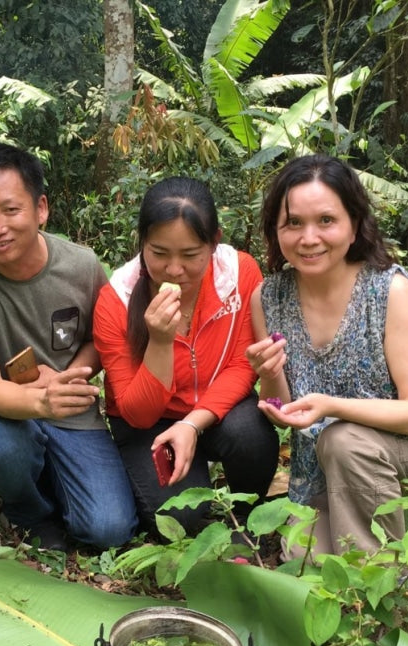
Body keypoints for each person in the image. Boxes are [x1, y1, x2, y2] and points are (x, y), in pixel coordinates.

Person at [246, 154, 408, 556]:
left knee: (344, 442)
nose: (308, 238)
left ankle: (386, 586)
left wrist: (331, 407)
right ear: (275, 230)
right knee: (303, 554)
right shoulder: (268, 298)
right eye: (293, 223)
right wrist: (269, 375)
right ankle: (396, 533)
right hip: (328, 465)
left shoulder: (389, 291)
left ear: (354, 224)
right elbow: (287, 409)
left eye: (326, 221)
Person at [0, 143, 138, 551]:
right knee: (0, 447)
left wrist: (67, 380)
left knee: (108, 531)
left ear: (41, 208)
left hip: (69, 405)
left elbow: (99, 338)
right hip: (1, 414)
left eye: (10, 210)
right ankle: (27, 509)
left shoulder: (81, 266)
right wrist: (42, 401)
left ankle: (58, 480)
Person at [93, 177, 278, 536]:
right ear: (142, 242)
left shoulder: (240, 275)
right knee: (182, 519)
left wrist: (193, 423)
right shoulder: (115, 300)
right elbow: (137, 413)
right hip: (151, 426)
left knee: (251, 433)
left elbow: (243, 363)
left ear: (214, 241)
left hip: (214, 412)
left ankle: (246, 522)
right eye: (159, 253)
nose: (174, 269)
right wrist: (160, 342)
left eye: (191, 255)